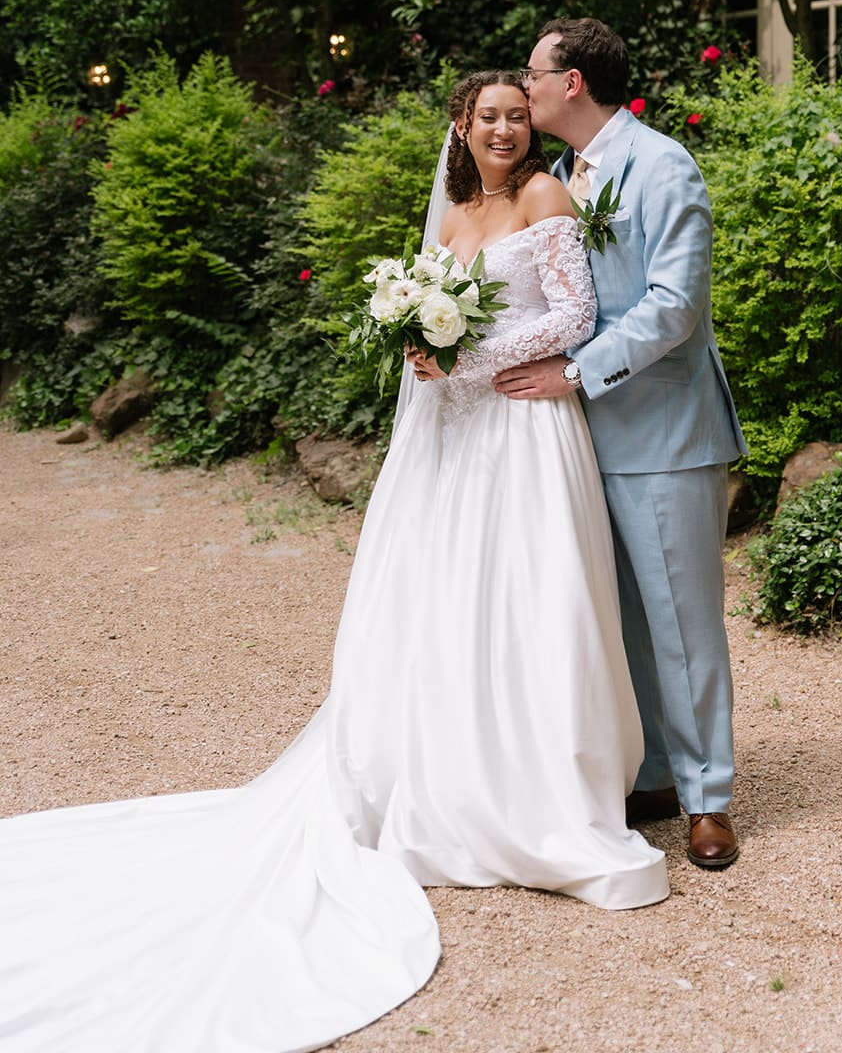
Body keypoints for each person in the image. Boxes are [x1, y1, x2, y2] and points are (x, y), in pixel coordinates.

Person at [0, 71, 666, 1053]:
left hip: (526, 431)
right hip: (452, 441)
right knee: (439, 603)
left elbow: (572, 315)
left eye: (516, 116)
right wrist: (422, 352)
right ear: (461, 127)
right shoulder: (455, 216)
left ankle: (538, 779)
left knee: (534, 599)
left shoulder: (544, 197)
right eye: (487, 116)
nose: (504, 129)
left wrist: (470, 357)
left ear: (533, 126)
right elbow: (427, 320)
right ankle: (441, 767)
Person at [493, 20, 748, 871]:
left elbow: (676, 306)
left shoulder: (664, 164)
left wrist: (575, 370)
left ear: (572, 84)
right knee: (620, 618)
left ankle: (708, 799)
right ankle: (650, 773)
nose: (522, 88)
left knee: (682, 621)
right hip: (577, 440)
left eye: (532, 73)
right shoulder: (560, 175)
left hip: (665, 432)